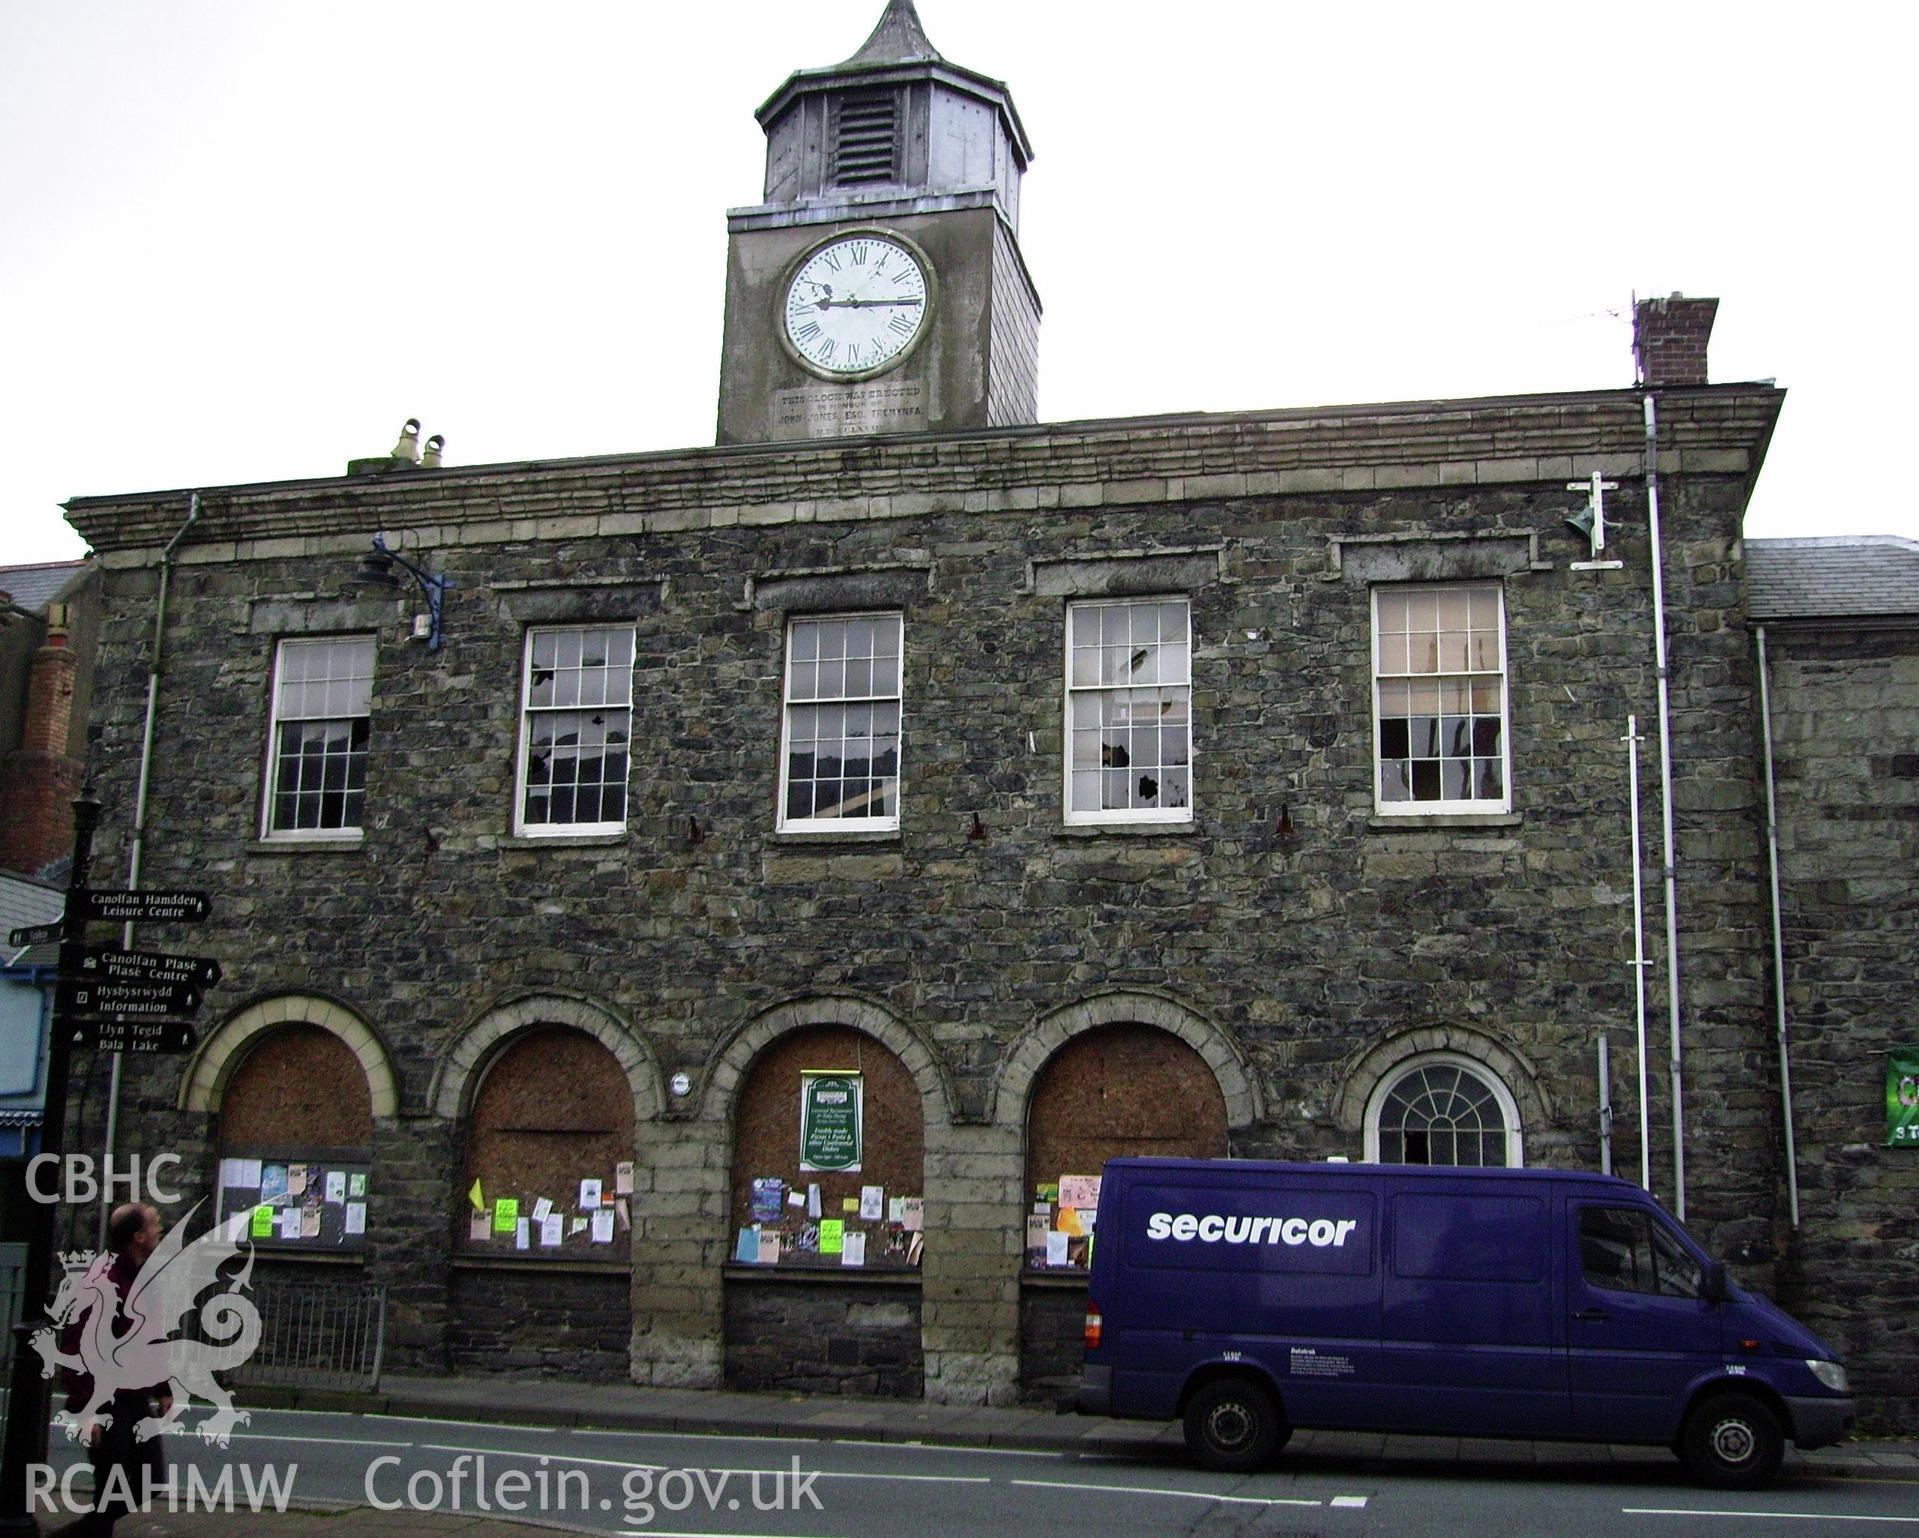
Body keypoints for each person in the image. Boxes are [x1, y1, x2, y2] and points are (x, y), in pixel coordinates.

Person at [52, 1202, 172, 1536]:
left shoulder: (144, 1280)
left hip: (135, 1401)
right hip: (106, 1403)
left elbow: (151, 1339)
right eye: (154, 1224)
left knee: (151, 1480)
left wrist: (162, 1387)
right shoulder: (102, 1283)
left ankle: (78, 1533)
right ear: (138, 1236)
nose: (159, 1228)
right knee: (111, 1487)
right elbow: (78, 1349)